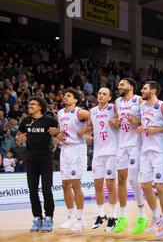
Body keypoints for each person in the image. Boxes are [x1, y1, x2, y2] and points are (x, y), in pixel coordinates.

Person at [16, 96, 59, 232]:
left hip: (46, 159)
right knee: (32, 190)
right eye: (29, 104)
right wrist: (19, 139)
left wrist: (57, 134)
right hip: (31, 160)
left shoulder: (49, 120)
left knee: (46, 189)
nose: (30, 106)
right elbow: (19, 138)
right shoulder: (25, 121)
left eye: (33, 104)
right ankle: (37, 217)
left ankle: (49, 218)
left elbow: (61, 132)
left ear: (40, 107)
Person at [137, 81, 163, 237]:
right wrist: (139, 126)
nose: (142, 90)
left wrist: (157, 129)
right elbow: (142, 122)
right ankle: (156, 217)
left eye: (145, 88)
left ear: (153, 90)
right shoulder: (142, 106)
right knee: (144, 185)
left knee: (160, 186)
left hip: (160, 151)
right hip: (145, 149)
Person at [111, 78, 146, 234]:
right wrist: (116, 122)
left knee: (133, 179)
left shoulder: (139, 100)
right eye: (119, 85)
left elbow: (146, 119)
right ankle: (123, 217)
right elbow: (118, 120)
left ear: (131, 87)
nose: (119, 86)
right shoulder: (117, 101)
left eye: (122, 84)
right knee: (121, 180)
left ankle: (142, 216)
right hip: (122, 144)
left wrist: (138, 121)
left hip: (136, 144)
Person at [86, 87, 119, 232]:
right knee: (98, 184)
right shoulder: (92, 111)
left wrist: (117, 122)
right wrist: (87, 134)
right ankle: (101, 214)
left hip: (112, 151)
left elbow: (121, 121)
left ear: (110, 97)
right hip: (98, 152)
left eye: (104, 94)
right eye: (99, 93)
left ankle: (114, 216)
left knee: (110, 184)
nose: (101, 95)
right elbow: (89, 126)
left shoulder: (113, 108)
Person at [57, 89, 90, 232]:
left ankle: (80, 220)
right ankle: (70, 218)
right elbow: (61, 130)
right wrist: (59, 136)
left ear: (75, 100)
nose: (65, 97)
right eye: (64, 96)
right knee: (65, 185)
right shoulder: (60, 113)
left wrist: (86, 132)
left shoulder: (79, 112)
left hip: (77, 149)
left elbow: (94, 118)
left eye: (69, 96)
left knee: (76, 184)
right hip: (65, 149)